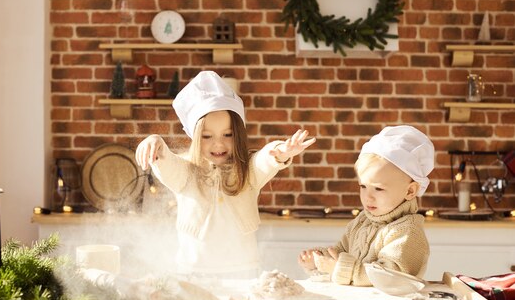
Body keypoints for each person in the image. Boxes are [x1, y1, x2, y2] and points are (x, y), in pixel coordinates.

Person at [136, 71, 316, 277]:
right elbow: (168, 165)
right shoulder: (186, 171)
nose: (218, 144)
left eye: (228, 134)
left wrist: (280, 151)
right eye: (207, 136)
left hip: (242, 270)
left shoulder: (248, 171)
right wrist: (155, 143)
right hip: (193, 271)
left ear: (238, 134)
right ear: (194, 137)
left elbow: (263, 160)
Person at [298, 125, 434, 285]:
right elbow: (342, 251)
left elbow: (388, 276)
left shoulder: (407, 232)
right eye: (363, 186)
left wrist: (338, 268)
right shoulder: (362, 221)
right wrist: (321, 259)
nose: (368, 196)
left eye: (378, 188)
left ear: (410, 191)